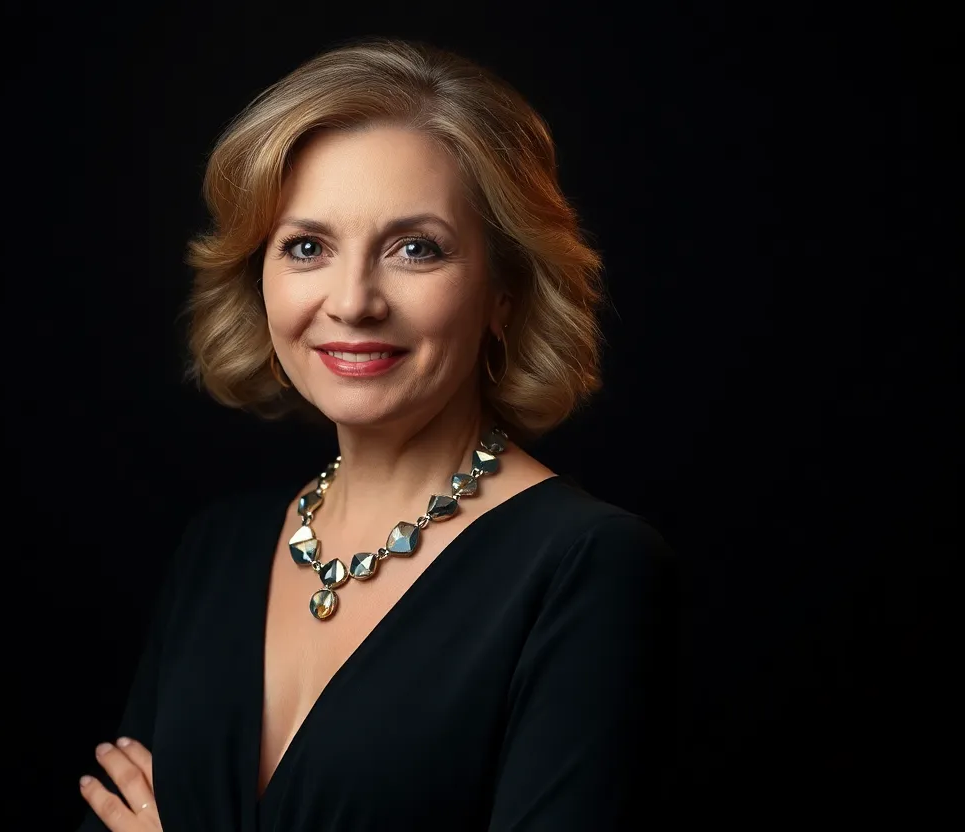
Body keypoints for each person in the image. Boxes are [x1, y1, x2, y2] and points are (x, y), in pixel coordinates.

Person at [75, 36, 677, 831]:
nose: (353, 300)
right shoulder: (218, 550)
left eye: (414, 249)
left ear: (503, 291)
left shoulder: (590, 570)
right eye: (307, 247)